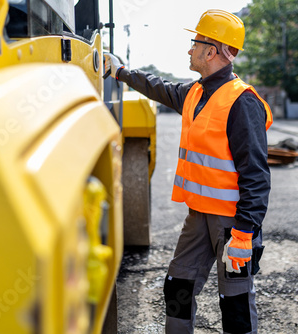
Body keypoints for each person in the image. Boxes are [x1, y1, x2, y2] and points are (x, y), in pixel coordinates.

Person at [104, 9, 272, 334]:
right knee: (177, 288)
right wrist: (121, 71)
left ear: (211, 51)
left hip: (231, 224)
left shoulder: (241, 102)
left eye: (194, 43)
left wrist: (244, 234)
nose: (189, 49)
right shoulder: (195, 93)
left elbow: (256, 175)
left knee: (235, 305)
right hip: (198, 218)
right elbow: (158, 87)